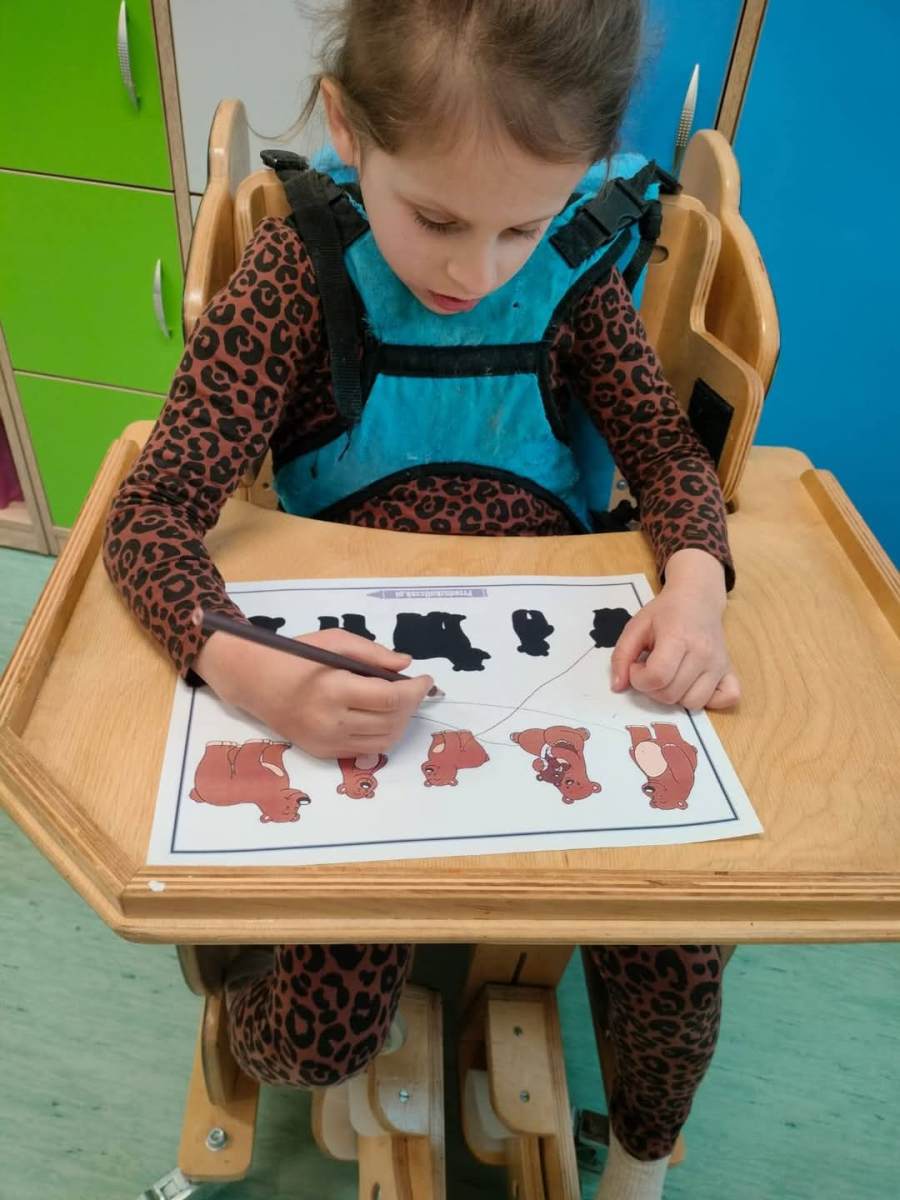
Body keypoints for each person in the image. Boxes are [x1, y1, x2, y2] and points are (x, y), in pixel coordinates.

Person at [103, 3, 740, 1196]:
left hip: (558, 680)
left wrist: (697, 583)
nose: (476, 272)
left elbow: (666, 452)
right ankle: (247, 1028)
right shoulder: (298, 271)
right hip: (352, 692)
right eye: (438, 219)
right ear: (349, 128)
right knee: (321, 1028)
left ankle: (641, 1163)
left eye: (523, 225)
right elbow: (150, 512)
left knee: (686, 940)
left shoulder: (575, 268)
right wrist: (246, 663)